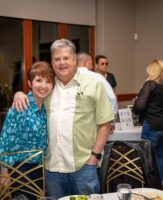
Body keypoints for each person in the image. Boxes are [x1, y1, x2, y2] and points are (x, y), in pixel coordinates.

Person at [13, 39, 114, 199]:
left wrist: (94, 157)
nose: (62, 63)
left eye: (66, 58)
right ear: (52, 63)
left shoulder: (94, 84)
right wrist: (19, 93)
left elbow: (105, 124)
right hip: (52, 168)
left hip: (84, 166)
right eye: (57, 59)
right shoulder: (48, 86)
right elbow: (31, 98)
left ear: (75, 60)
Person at [0, 61, 55, 199]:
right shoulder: (20, 106)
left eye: (48, 81)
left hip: (39, 167)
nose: (43, 85)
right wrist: (4, 171)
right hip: (20, 168)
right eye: (38, 80)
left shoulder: (47, 106)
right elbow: (5, 139)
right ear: (30, 83)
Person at [133, 59, 163, 186]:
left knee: (147, 157)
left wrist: (138, 100)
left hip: (152, 125)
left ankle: (148, 185)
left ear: (153, 71)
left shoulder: (150, 84)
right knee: (160, 155)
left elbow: (138, 107)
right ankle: (161, 184)